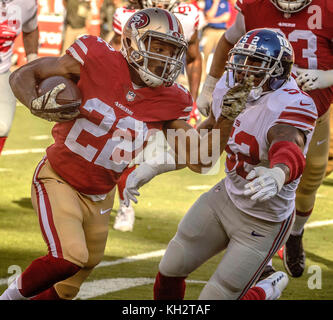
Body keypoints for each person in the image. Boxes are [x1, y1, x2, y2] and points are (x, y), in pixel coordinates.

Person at [0, 8, 238, 300]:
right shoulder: (94, 57)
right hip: (59, 177)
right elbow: (25, 74)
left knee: (72, 282)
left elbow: (201, 161)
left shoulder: (171, 100)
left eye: (171, 51)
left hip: (101, 193)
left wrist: (225, 120)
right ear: (133, 42)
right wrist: (36, 101)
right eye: (157, 47)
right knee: (69, 256)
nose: (165, 58)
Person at [124, 28, 317, 300]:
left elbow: (288, 143)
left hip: (264, 220)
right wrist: (155, 165)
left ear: (278, 70)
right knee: (170, 267)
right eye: (240, 60)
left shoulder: (292, 103)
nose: (243, 70)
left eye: (256, 63)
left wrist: (277, 172)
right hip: (226, 195)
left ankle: (264, 290)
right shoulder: (228, 86)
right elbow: (207, 139)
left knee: (217, 296)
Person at [196, 0, 333, 278]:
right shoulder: (256, 6)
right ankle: (263, 258)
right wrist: (209, 87)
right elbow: (227, 43)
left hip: (312, 114)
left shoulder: (328, 7)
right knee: (254, 178)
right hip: (261, 109)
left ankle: (295, 233)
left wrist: (328, 76)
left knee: (309, 183)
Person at [110, 0, 203, 232]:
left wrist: (196, 100)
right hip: (131, 91)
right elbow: (112, 55)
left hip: (166, 91)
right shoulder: (128, 15)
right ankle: (125, 205)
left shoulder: (188, 15)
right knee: (125, 153)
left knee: (193, 153)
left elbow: (192, 58)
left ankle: (124, 201)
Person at [0, 0, 39, 157]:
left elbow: (30, 29)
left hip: (2, 71)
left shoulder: (27, 3)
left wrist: (33, 63)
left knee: (2, 126)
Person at [201, 0, 230, 79]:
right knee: (204, 53)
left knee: (222, 55)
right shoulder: (208, 2)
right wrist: (215, 3)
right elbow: (209, 15)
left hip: (221, 31)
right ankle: (202, 77)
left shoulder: (225, 2)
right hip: (209, 30)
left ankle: (219, 78)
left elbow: (226, 17)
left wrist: (211, 20)